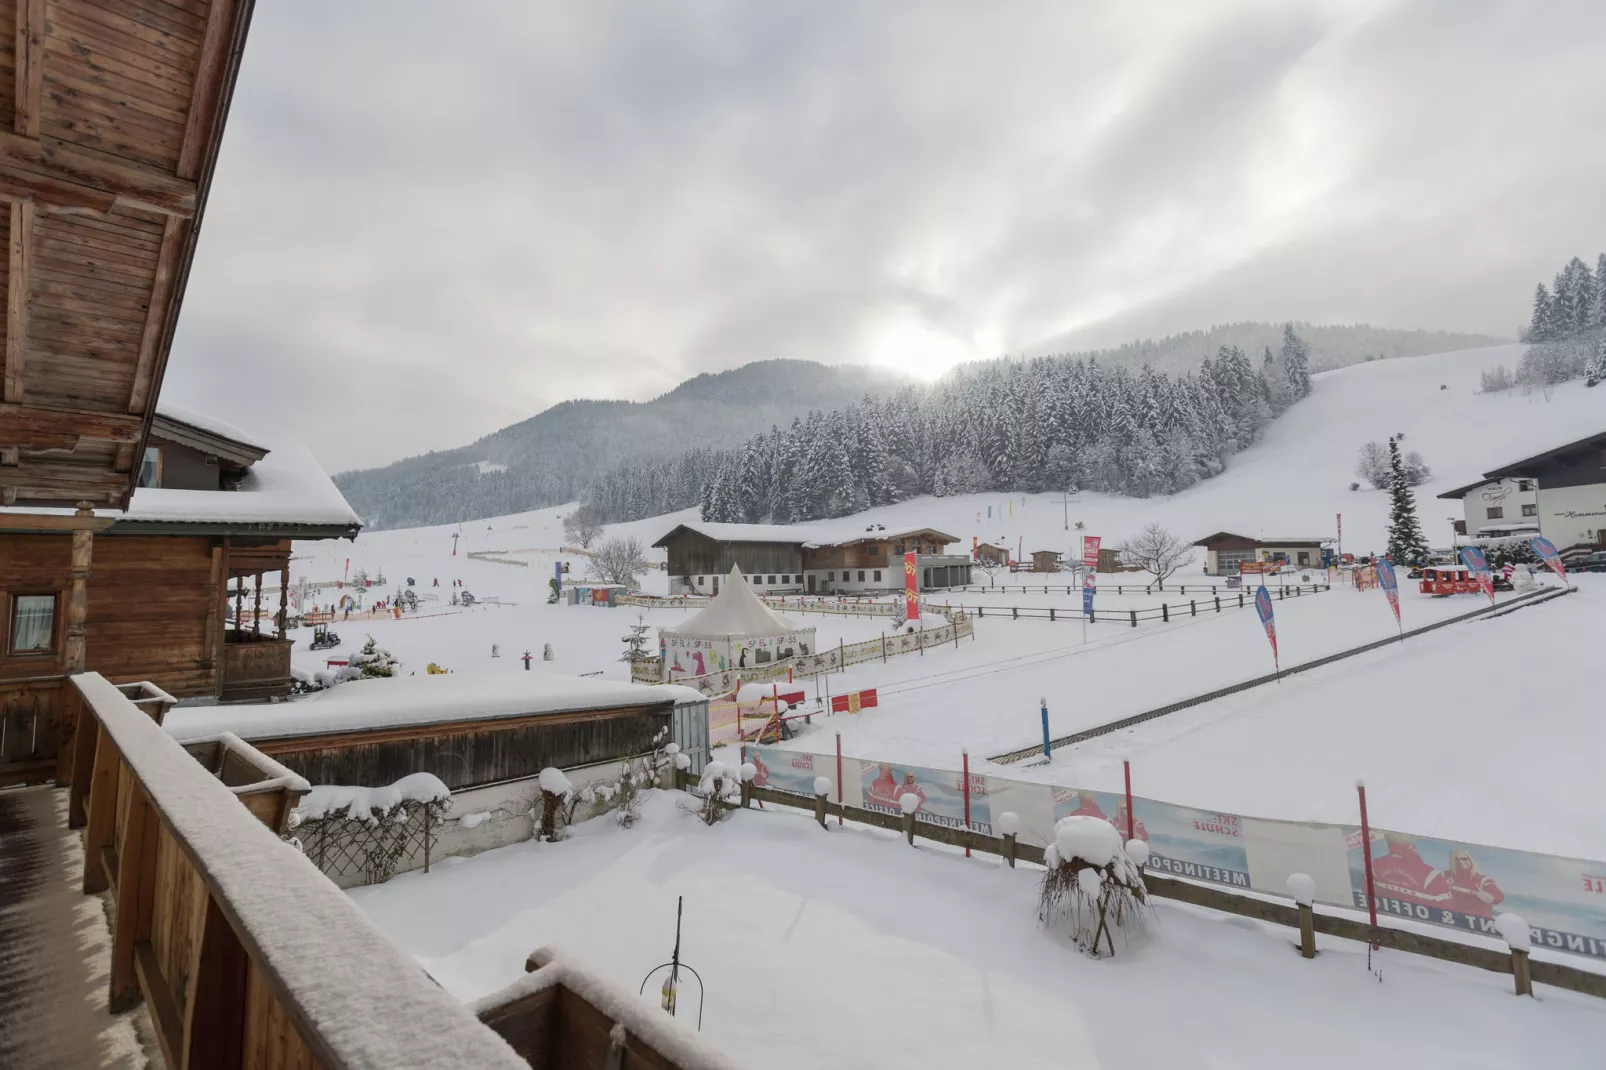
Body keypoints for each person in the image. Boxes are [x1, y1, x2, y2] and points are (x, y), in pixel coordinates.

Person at [1371, 832, 1453, 913]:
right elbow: (1449, 911)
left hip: (1386, 916)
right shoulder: (1432, 876)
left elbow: (1368, 894)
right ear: (1411, 846)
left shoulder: (1376, 866)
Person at [1446, 848, 1504, 918]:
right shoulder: (1445, 876)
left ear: (1470, 860)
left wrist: (1490, 897)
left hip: (1477, 922)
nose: (1460, 862)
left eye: (1464, 859)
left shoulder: (1482, 880)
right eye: (1456, 859)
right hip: (1451, 918)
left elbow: (1499, 897)